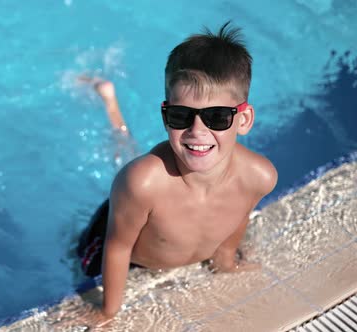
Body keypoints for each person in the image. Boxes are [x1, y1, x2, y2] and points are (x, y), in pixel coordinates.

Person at [75, 21, 278, 328]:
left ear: (244, 119)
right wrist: (108, 312)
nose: (198, 132)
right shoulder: (140, 182)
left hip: (149, 192)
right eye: (181, 116)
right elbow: (117, 248)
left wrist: (225, 262)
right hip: (122, 240)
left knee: (138, 161)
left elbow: (238, 218)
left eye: (217, 117)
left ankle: (109, 98)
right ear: (165, 115)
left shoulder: (259, 177)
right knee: (134, 167)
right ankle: (110, 105)